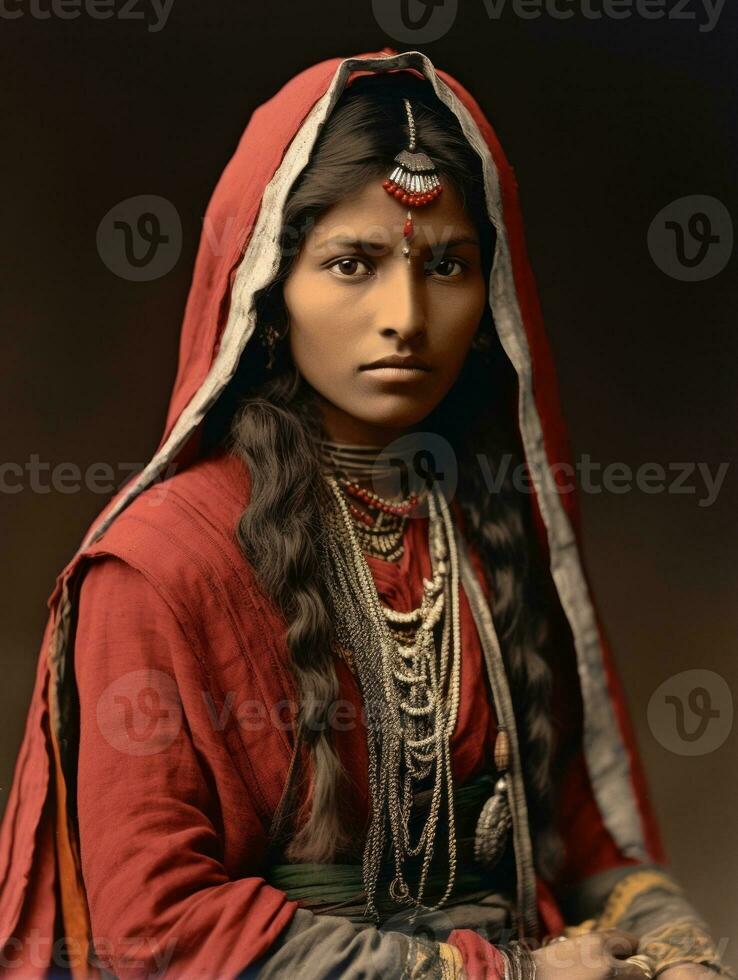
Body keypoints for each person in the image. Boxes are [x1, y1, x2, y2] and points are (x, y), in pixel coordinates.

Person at [0, 47, 732, 980]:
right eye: (353, 263)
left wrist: (677, 949)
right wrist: (510, 976)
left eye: (447, 266)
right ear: (271, 292)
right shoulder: (160, 566)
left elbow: (582, 847)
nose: (407, 314)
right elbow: (158, 921)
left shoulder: (491, 534)